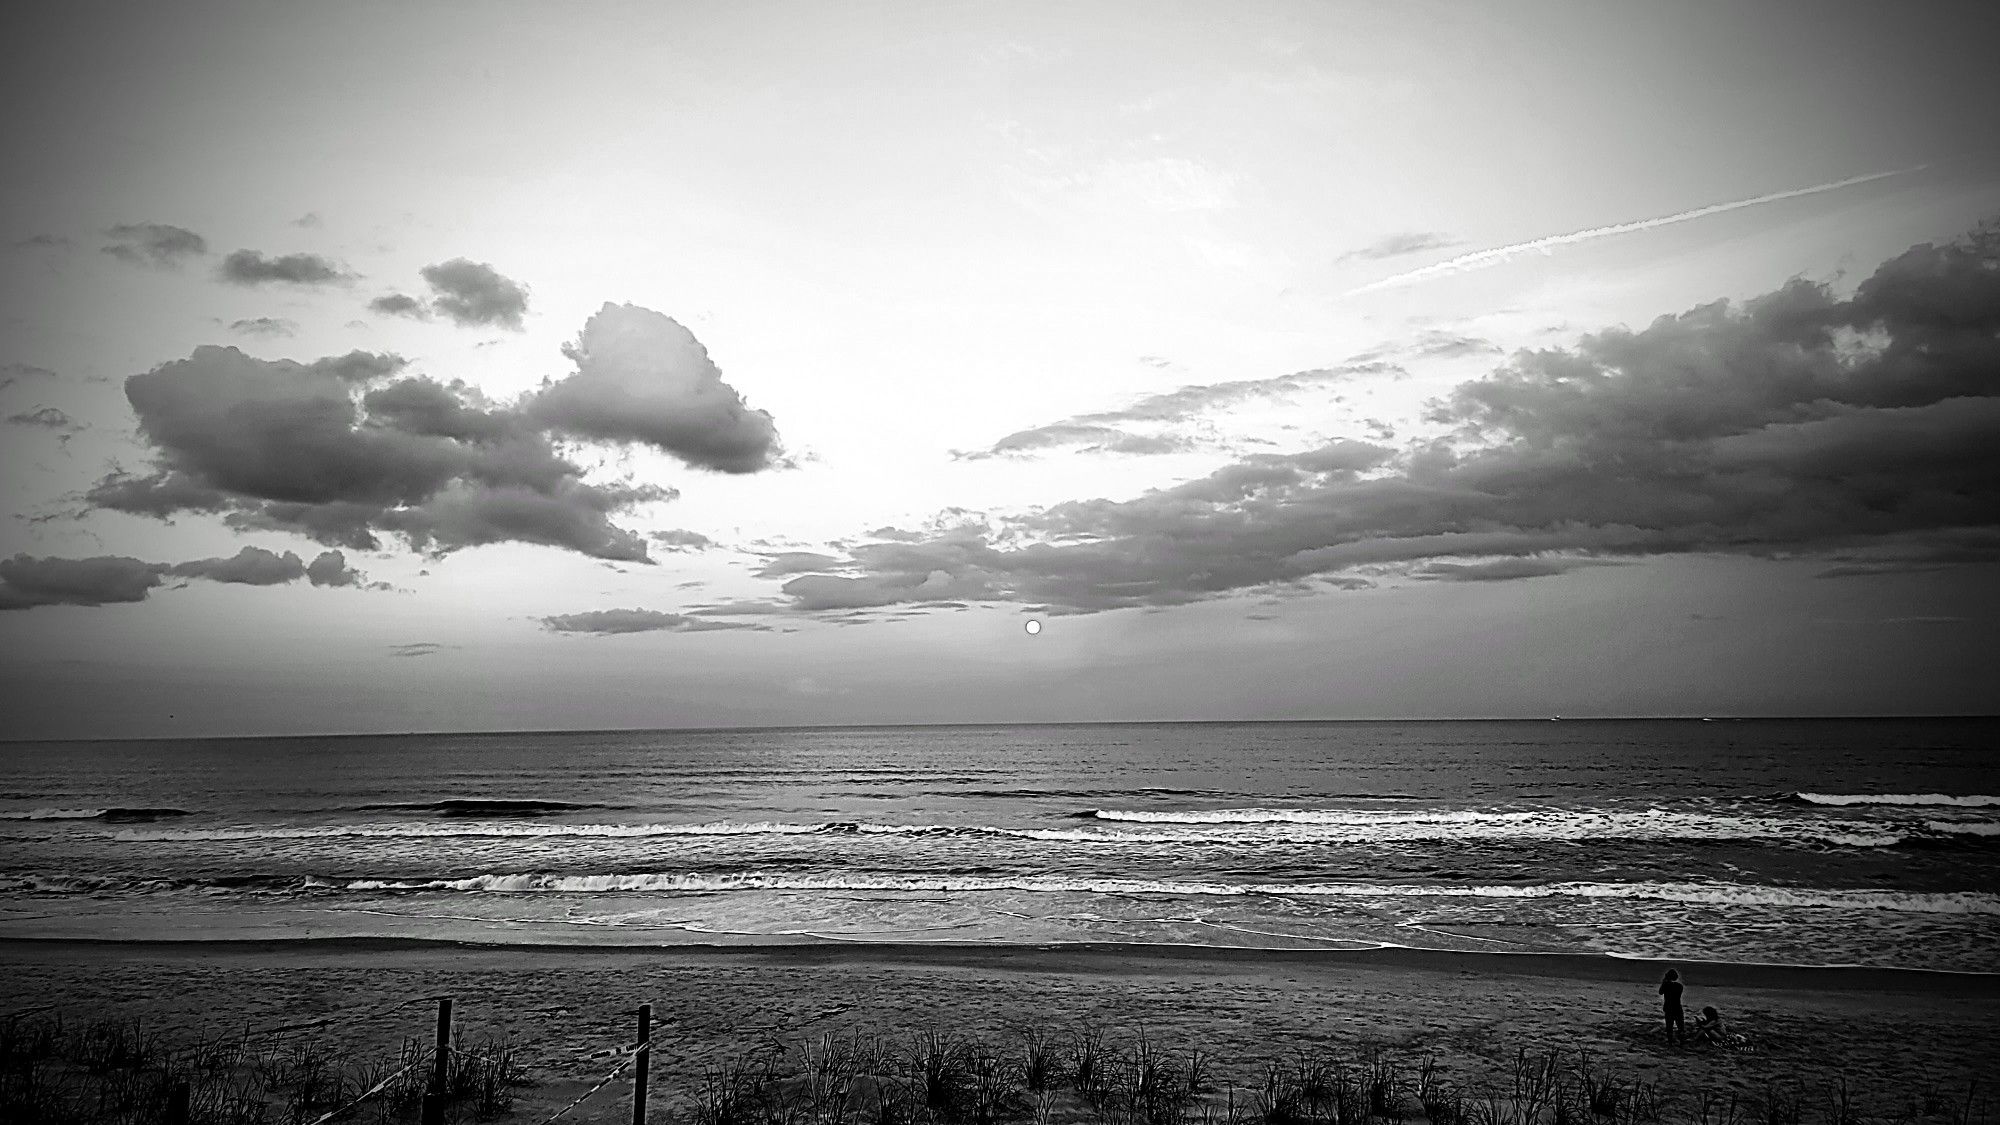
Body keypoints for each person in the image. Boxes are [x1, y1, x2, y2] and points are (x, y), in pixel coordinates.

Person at [1658, 968, 1686, 1044]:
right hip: (1677, 1007)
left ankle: (1670, 1041)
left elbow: (1660, 992)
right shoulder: (1679, 986)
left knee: (1669, 1026)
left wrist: (1664, 981)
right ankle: (1682, 1041)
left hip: (1668, 1007)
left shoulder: (1666, 985)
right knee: (1680, 1026)